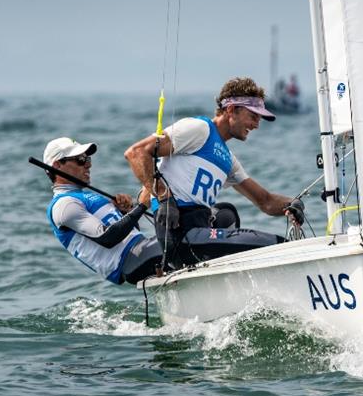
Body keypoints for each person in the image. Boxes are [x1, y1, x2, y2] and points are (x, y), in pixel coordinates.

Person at [124, 77, 304, 264]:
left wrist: (292, 203)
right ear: (231, 109)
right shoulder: (199, 129)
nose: (256, 124)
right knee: (279, 245)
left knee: (228, 213)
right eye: (253, 116)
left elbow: (265, 201)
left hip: (200, 232)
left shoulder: (228, 159)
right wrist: (164, 197)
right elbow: (136, 153)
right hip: (180, 235)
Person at [43, 137, 166, 285]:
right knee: (184, 240)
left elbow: (130, 235)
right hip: (130, 261)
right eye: (80, 160)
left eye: (88, 159)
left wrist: (125, 212)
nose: (88, 165)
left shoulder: (83, 197)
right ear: (57, 166)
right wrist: (142, 206)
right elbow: (108, 238)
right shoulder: (63, 205)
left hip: (141, 250)